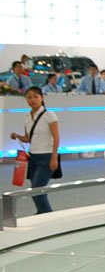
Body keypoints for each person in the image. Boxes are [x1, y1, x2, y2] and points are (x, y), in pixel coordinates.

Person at [9, 86, 60, 214]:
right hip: (33, 157)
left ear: (42, 98)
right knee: (38, 190)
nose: (32, 100)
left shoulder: (49, 115)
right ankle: (42, 213)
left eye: (35, 97)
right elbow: (28, 138)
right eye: (29, 97)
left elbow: (56, 137)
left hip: (46, 157)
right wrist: (17, 136)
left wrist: (54, 157)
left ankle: (47, 214)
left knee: (36, 189)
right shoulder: (27, 116)